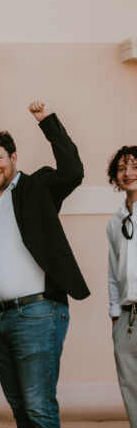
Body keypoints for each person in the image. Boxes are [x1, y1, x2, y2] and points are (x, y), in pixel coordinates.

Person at [0, 101, 89, 427]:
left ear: (13, 158)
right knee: (20, 409)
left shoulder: (37, 187)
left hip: (37, 315)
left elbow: (73, 172)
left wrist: (48, 122)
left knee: (38, 408)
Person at [107, 145, 137, 424]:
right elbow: (113, 273)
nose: (128, 173)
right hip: (127, 318)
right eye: (122, 168)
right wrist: (115, 314)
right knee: (131, 390)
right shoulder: (115, 222)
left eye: (135, 167)